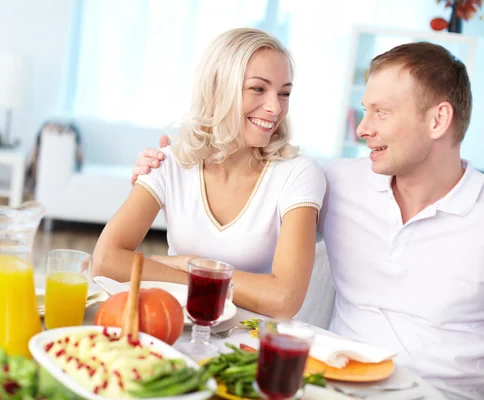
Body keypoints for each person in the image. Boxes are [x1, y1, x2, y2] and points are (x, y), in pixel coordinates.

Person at [131, 42, 484, 399]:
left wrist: (185, 265)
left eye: (381, 112)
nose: (362, 129)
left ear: (438, 120)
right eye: (365, 110)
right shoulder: (337, 184)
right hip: (332, 386)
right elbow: (246, 197)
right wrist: (169, 167)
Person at [92, 28, 326, 319]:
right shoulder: (170, 163)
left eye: (284, 93)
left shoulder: (298, 174)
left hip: (247, 337)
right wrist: (202, 281)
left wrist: (190, 264)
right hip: (176, 322)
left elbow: (283, 298)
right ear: (218, 89)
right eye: (257, 88)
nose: (275, 107)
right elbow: (105, 261)